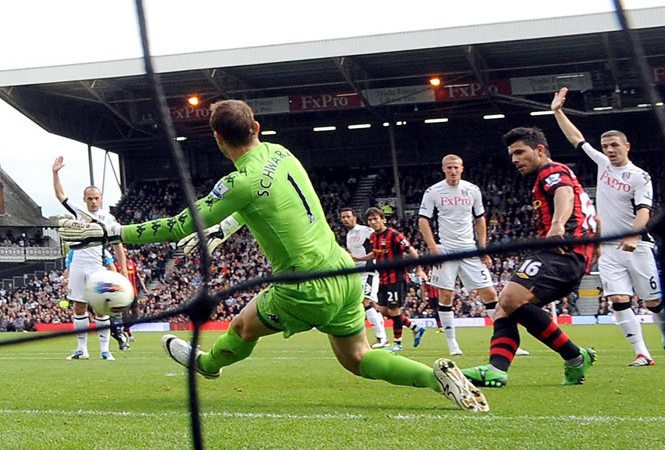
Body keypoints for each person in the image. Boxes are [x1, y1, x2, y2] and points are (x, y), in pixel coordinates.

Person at [60, 99, 488, 412]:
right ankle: (436, 378)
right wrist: (225, 229)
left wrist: (111, 230)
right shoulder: (281, 153)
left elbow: (178, 225)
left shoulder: (238, 182)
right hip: (342, 270)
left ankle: (207, 364)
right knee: (357, 357)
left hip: (303, 286)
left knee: (242, 327)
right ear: (257, 127)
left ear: (217, 138)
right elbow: (270, 202)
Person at [463, 126, 597, 388]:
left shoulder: (551, 171)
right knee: (504, 309)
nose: (515, 159)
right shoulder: (554, 175)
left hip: (560, 251)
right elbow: (588, 210)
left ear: (540, 150)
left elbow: (565, 193)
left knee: (509, 300)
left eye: (520, 152)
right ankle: (500, 369)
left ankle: (574, 356)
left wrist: (557, 225)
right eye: (512, 155)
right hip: (568, 255)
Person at [552, 86, 663, 365]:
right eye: (606, 147)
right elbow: (577, 139)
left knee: (653, 303)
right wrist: (557, 111)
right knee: (619, 300)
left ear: (627, 146)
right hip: (610, 249)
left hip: (637, 247)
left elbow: (644, 210)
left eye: (615, 145)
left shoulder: (639, 176)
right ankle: (642, 353)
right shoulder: (603, 164)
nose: (610, 150)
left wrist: (634, 236)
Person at [418, 154, 529, 357]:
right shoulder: (433, 191)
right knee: (446, 295)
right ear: (444, 169)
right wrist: (433, 247)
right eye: (449, 167)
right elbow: (423, 220)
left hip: (469, 248)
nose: (453, 171)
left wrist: (482, 248)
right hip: (445, 249)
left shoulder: (472, 190)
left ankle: (508, 341)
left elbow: (480, 219)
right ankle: (452, 343)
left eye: (456, 167)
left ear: (462, 168)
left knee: (490, 294)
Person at [53, 156, 127, 361]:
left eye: (96, 198)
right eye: (90, 198)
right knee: (79, 307)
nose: (93, 201)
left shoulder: (108, 219)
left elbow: (118, 245)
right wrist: (55, 173)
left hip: (97, 267)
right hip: (78, 265)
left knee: (101, 308)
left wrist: (123, 270)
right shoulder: (79, 212)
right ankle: (82, 349)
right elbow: (60, 195)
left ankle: (105, 350)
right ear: (85, 199)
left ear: (101, 199)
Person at [358, 207, 426, 352]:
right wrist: (358, 259)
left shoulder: (394, 235)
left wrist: (419, 268)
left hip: (396, 277)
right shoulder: (373, 237)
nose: (373, 222)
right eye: (370, 220)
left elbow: (410, 250)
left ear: (383, 219)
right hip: (383, 278)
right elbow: (376, 253)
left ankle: (398, 343)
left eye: (376, 219)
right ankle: (415, 328)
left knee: (394, 310)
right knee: (382, 309)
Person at [340, 207, 388, 348]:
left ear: (355, 217)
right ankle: (384, 337)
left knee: (365, 301)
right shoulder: (349, 235)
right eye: (343, 217)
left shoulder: (365, 230)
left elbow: (380, 241)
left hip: (369, 270)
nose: (345, 219)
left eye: (348, 216)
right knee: (371, 304)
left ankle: (381, 338)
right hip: (357, 273)